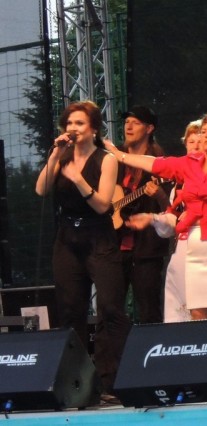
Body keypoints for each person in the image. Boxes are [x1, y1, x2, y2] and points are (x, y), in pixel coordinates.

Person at [105, 104, 207, 320]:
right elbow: (155, 164)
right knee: (198, 312)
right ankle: (205, 345)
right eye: (203, 131)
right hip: (198, 244)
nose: (206, 135)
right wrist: (119, 155)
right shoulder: (190, 163)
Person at [35, 100, 131, 400]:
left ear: (93, 129)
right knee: (70, 310)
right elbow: (41, 189)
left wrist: (78, 179)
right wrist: (55, 156)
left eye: (79, 123)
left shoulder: (106, 159)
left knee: (110, 308)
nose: (73, 128)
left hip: (99, 236)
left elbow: (103, 205)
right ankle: (77, 384)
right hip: (68, 238)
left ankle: (111, 382)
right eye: (69, 123)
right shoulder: (62, 156)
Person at [126, 119, 202, 323]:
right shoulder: (179, 183)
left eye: (200, 141)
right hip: (182, 252)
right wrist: (151, 218)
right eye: (191, 142)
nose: (195, 146)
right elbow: (172, 220)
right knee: (180, 311)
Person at [111, 105, 171, 324]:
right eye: (127, 122)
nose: (128, 126)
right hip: (114, 244)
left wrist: (159, 194)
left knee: (148, 309)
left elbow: (170, 208)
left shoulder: (159, 161)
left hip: (147, 248)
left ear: (149, 128)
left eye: (135, 123)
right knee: (109, 307)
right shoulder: (113, 158)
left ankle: (152, 346)